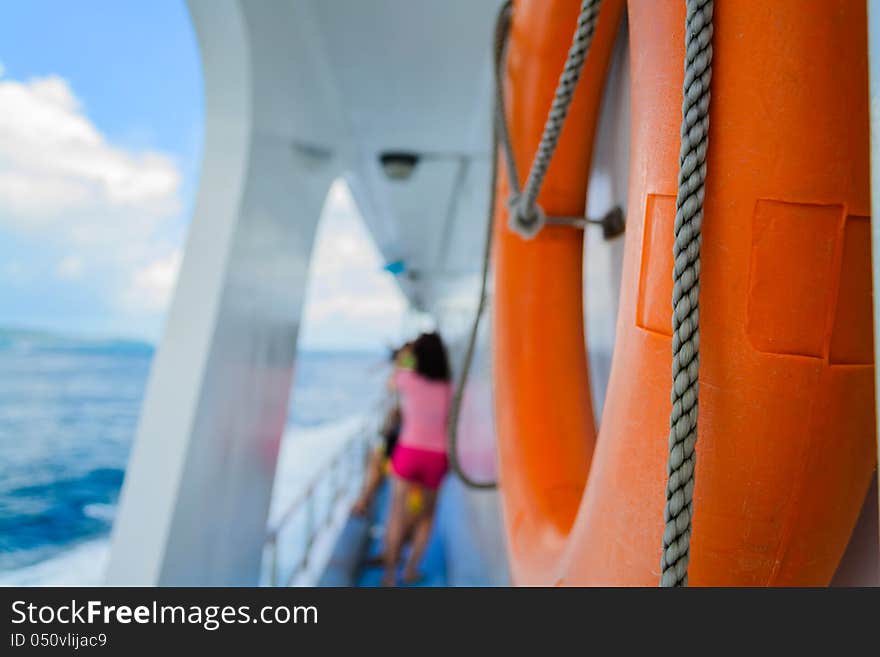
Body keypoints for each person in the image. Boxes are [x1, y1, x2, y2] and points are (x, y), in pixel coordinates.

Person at [382, 332, 452, 586]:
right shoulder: (449, 388)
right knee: (427, 516)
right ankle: (410, 570)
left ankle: (389, 576)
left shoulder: (406, 379)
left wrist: (404, 356)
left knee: (396, 514)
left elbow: (391, 381)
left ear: (417, 356)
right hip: (437, 456)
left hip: (408, 452)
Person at [351, 343, 413, 517]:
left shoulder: (408, 378)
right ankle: (365, 499)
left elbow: (392, 385)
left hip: (404, 440)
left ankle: (364, 500)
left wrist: (400, 364)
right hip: (407, 438)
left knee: (376, 460)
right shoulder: (420, 378)